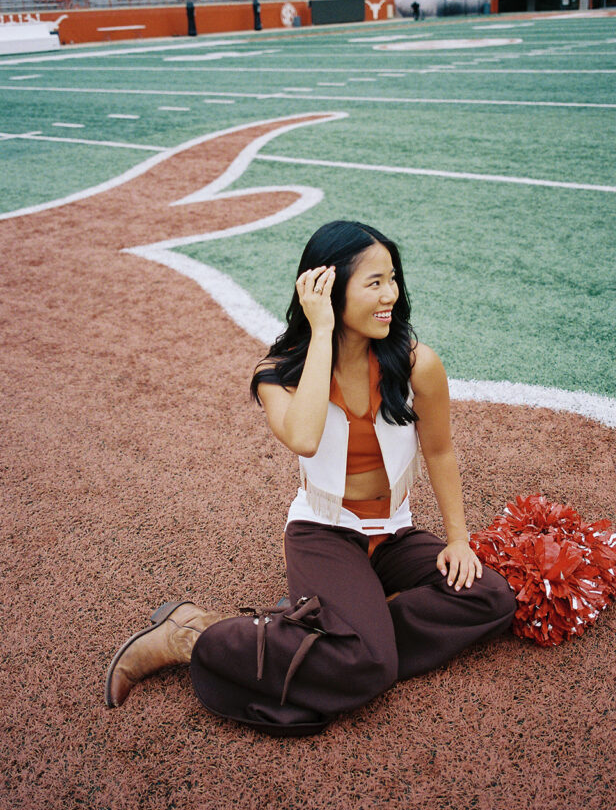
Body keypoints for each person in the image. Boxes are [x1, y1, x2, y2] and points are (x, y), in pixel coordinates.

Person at [105, 221, 516, 735]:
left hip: (394, 532)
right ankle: (194, 634)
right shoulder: (277, 372)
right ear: (325, 288)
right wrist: (322, 331)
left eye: (393, 279)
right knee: (369, 665)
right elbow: (303, 437)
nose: (390, 294)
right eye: (373, 283)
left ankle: (346, 633)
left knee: (492, 598)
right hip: (324, 531)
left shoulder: (417, 365)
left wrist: (458, 539)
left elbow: (440, 451)